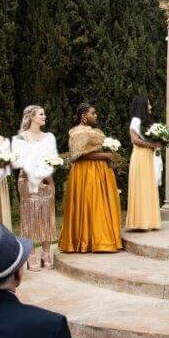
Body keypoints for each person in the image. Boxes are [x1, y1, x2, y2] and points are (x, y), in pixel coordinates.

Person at [59, 103, 122, 253]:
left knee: (100, 203)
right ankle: (90, 240)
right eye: (93, 113)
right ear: (84, 117)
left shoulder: (95, 131)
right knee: (89, 202)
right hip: (85, 171)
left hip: (100, 172)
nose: (96, 115)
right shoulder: (76, 132)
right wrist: (107, 155)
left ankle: (101, 238)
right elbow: (81, 154)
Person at [12, 105, 59, 270]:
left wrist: (50, 181)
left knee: (46, 216)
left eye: (44, 114)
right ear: (31, 117)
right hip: (27, 180)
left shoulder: (48, 137)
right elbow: (20, 161)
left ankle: (46, 253)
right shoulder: (21, 137)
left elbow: (51, 160)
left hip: (46, 180)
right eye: (41, 114)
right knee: (30, 217)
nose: (45, 116)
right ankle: (30, 255)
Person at [126, 95, 162, 231]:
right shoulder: (135, 120)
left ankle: (150, 221)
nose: (150, 106)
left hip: (147, 156)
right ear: (142, 106)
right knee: (141, 186)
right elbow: (134, 140)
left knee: (148, 186)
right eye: (148, 104)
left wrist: (160, 142)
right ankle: (140, 222)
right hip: (140, 156)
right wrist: (151, 144)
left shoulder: (146, 122)